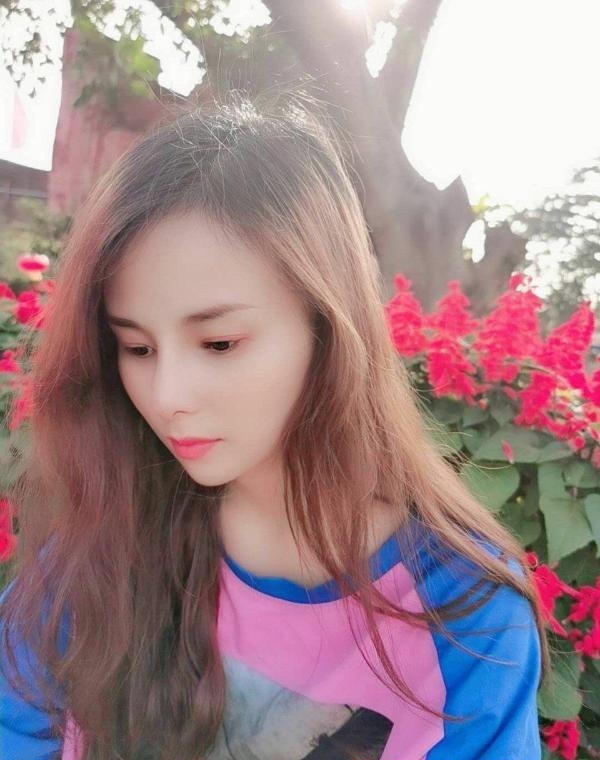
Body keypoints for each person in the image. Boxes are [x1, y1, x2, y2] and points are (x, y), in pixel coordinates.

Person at [0, 94, 549, 760]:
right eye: (137, 348)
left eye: (220, 343)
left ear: (325, 326)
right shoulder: (98, 551)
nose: (167, 396)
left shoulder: (464, 615)